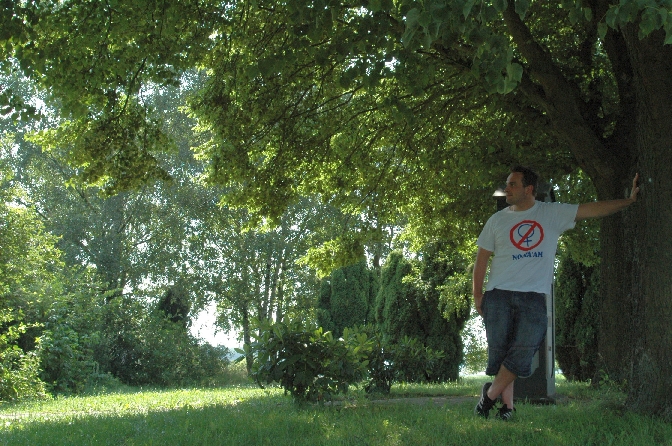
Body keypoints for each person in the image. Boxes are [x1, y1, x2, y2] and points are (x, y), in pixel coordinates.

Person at [472, 166, 640, 421]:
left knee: (524, 350)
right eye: (507, 184)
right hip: (499, 294)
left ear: (529, 189)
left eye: (513, 184)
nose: (506, 189)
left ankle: (489, 396)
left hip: (533, 296)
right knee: (503, 353)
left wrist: (628, 201)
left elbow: (592, 209)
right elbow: (481, 259)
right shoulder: (497, 220)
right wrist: (477, 295)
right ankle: (508, 408)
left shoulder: (551, 213)